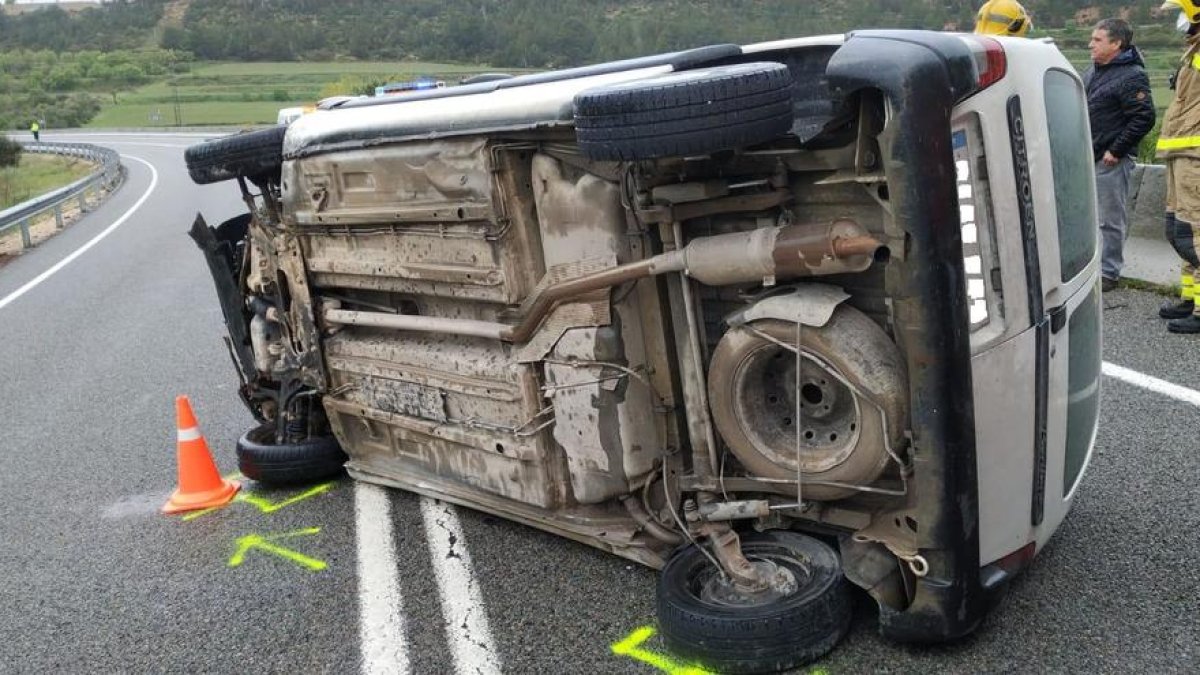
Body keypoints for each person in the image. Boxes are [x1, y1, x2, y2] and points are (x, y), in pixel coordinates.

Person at [1083, 18, 1156, 292]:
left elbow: (1144, 117)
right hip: (1088, 155)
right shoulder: (1093, 71)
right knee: (1090, 218)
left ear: (1116, 44)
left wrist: (1116, 150)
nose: (1091, 43)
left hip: (1110, 159)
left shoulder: (1132, 75)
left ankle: (1109, 273)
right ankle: (1091, 269)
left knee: (1109, 219)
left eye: (1098, 39)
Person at [1158, 0, 1200, 332]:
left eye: (1184, 13)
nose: (1181, 21)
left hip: (1195, 154)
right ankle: (1190, 297)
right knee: (1178, 231)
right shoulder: (1193, 51)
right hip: (1180, 151)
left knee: (1196, 233)